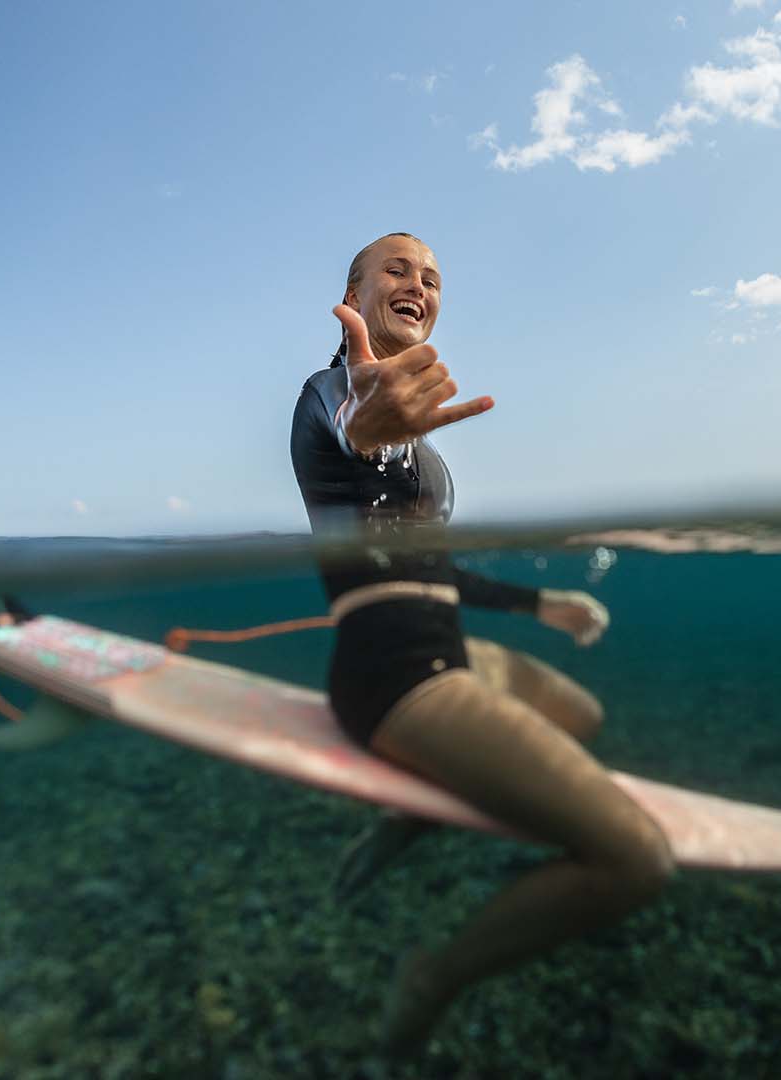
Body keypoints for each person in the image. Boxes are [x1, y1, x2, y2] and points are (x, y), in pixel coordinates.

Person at [289, 233, 675, 1053]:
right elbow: (351, 420)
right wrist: (370, 423)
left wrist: (543, 603)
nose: (417, 284)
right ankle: (437, 972)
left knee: (582, 714)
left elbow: (439, 573)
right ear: (352, 293)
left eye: (431, 278)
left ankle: (409, 817)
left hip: (450, 648)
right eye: (395, 269)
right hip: (393, 678)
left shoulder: (425, 450)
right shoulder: (332, 395)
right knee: (637, 861)